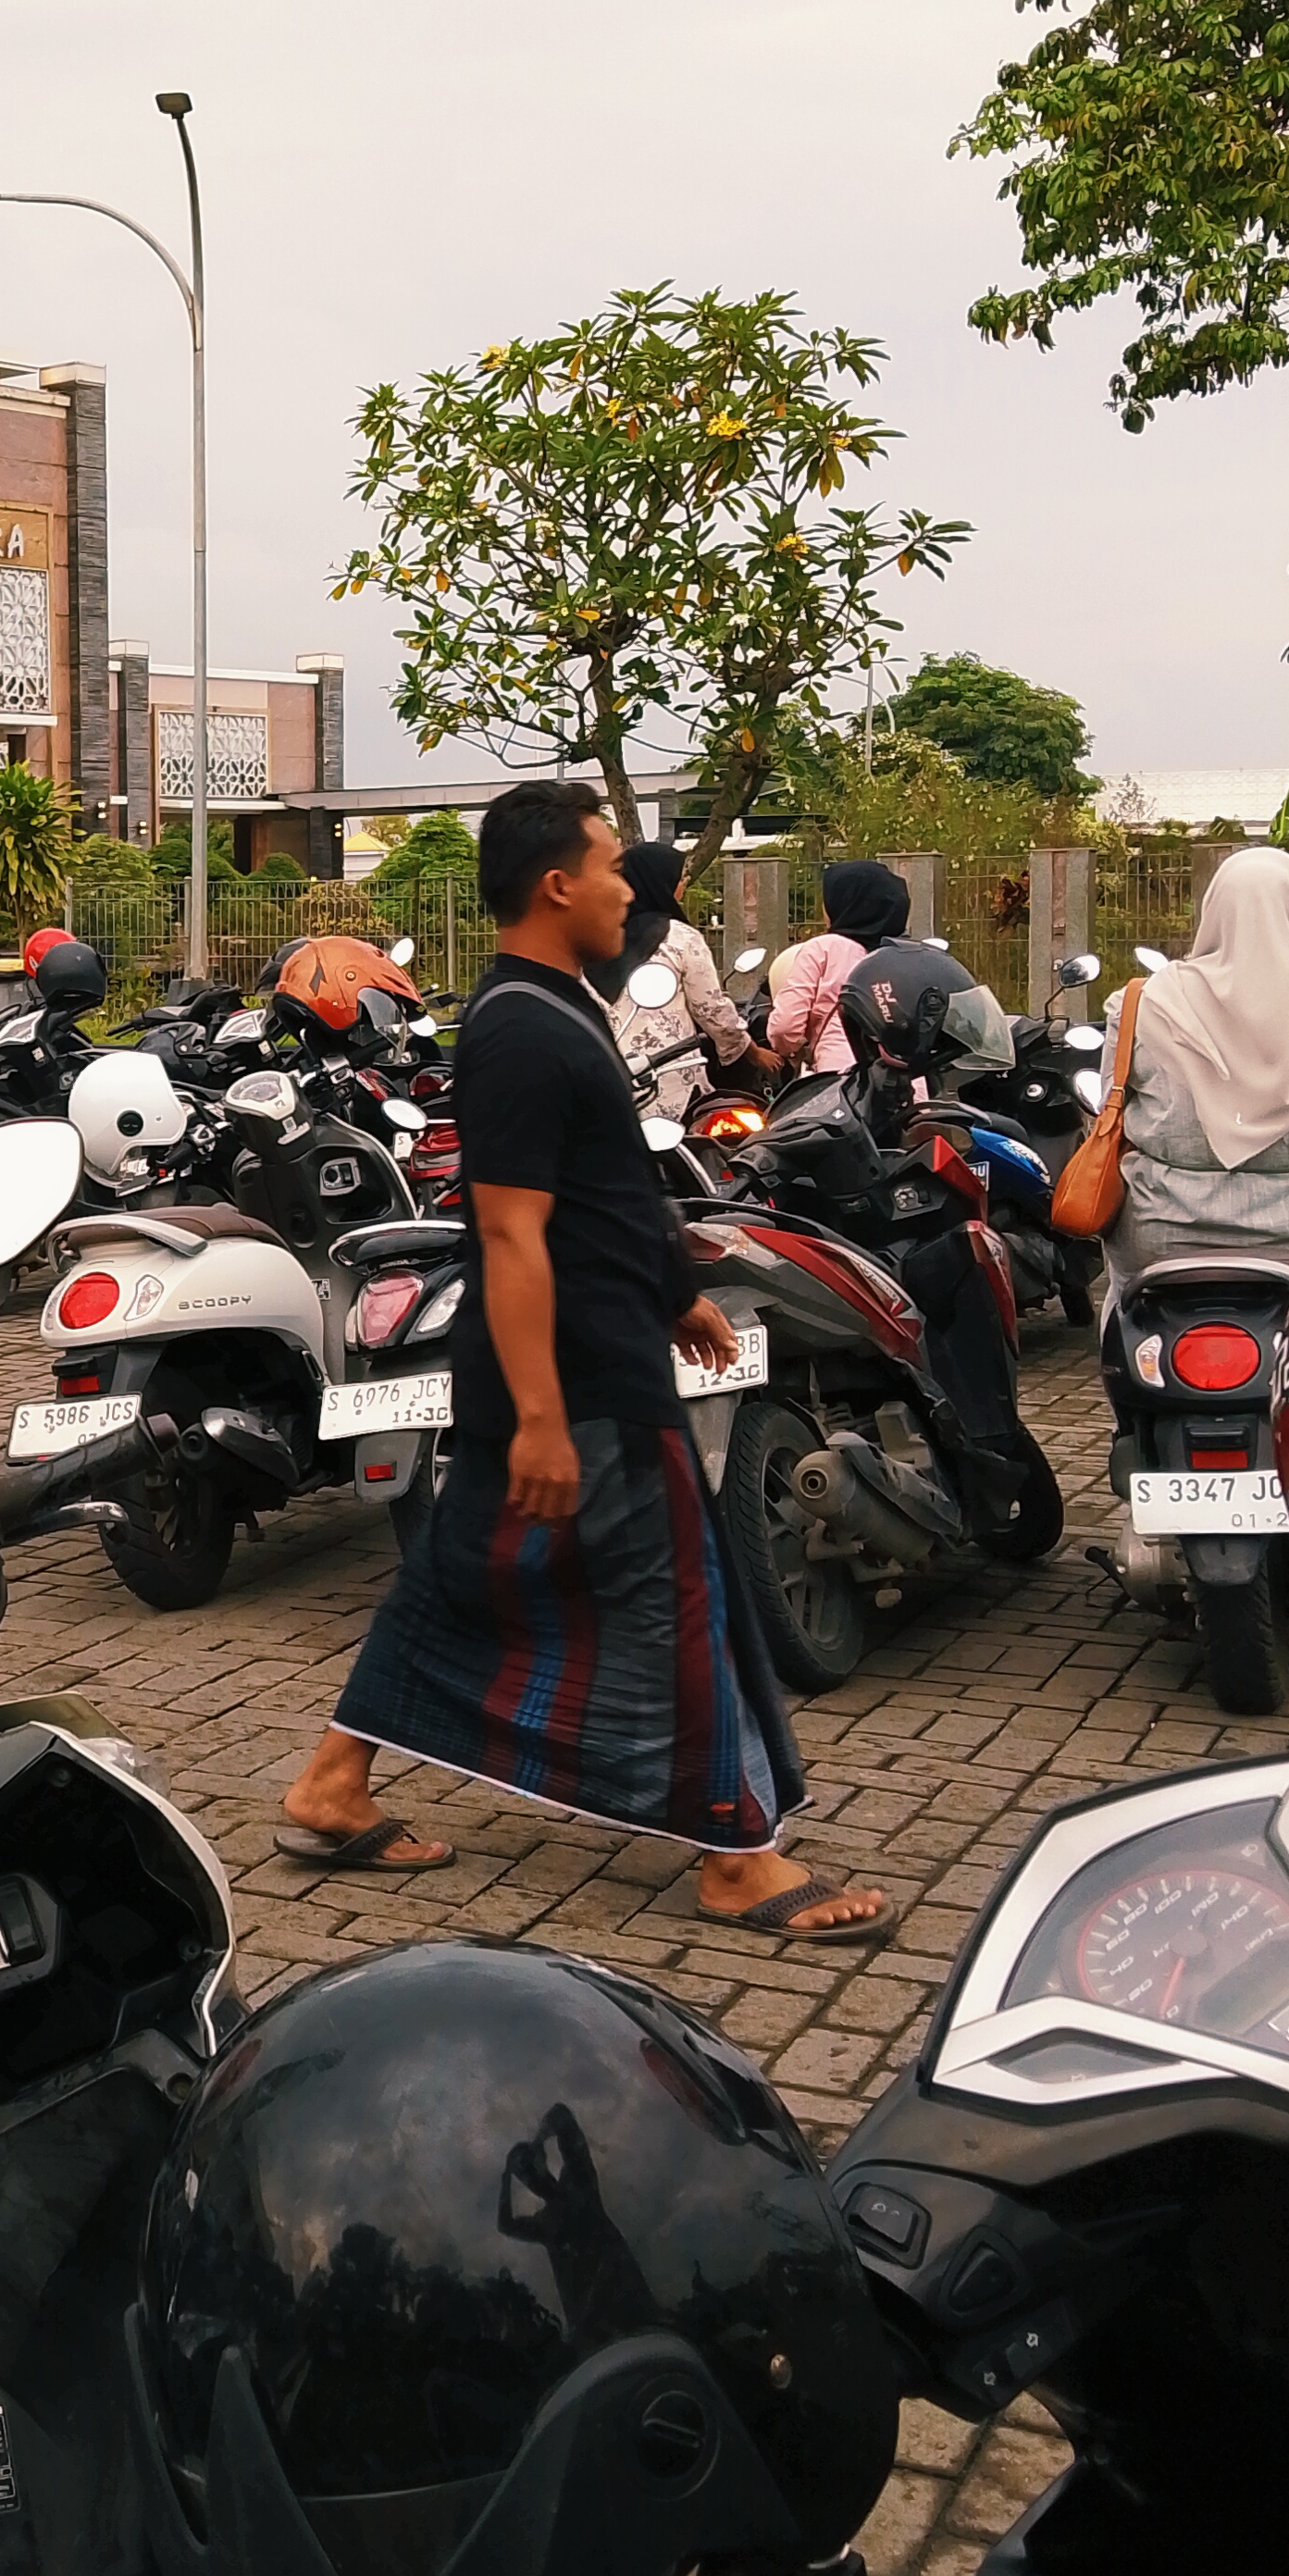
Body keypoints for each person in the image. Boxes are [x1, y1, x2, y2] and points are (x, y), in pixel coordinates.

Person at [277, 780, 892, 1941]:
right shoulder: (516, 1026)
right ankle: (732, 1854)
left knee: (465, 1575)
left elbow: (607, 1184)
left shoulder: (561, 1008)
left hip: (596, 1346)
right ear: (558, 883)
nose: (630, 887)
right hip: (573, 1374)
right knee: (680, 1592)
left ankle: (330, 1787)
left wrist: (674, 1294)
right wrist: (547, 1418)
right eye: (611, 864)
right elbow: (509, 1230)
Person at [1102, 843, 1289, 1291]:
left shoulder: (1142, 1003)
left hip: (1163, 1231)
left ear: (1214, 911)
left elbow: (1105, 1104)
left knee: (1125, 1309)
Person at [599, 839, 765, 1118]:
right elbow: (710, 1008)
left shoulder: (597, 937)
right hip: (669, 1079)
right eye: (680, 876)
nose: (684, 882)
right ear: (660, 881)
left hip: (607, 1079)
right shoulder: (679, 937)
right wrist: (751, 1050)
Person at [765, 860, 912, 1077]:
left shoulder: (823, 949)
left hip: (843, 1082)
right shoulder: (906, 955)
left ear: (845, 902)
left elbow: (785, 1027)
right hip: (910, 1084)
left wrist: (791, 1050)